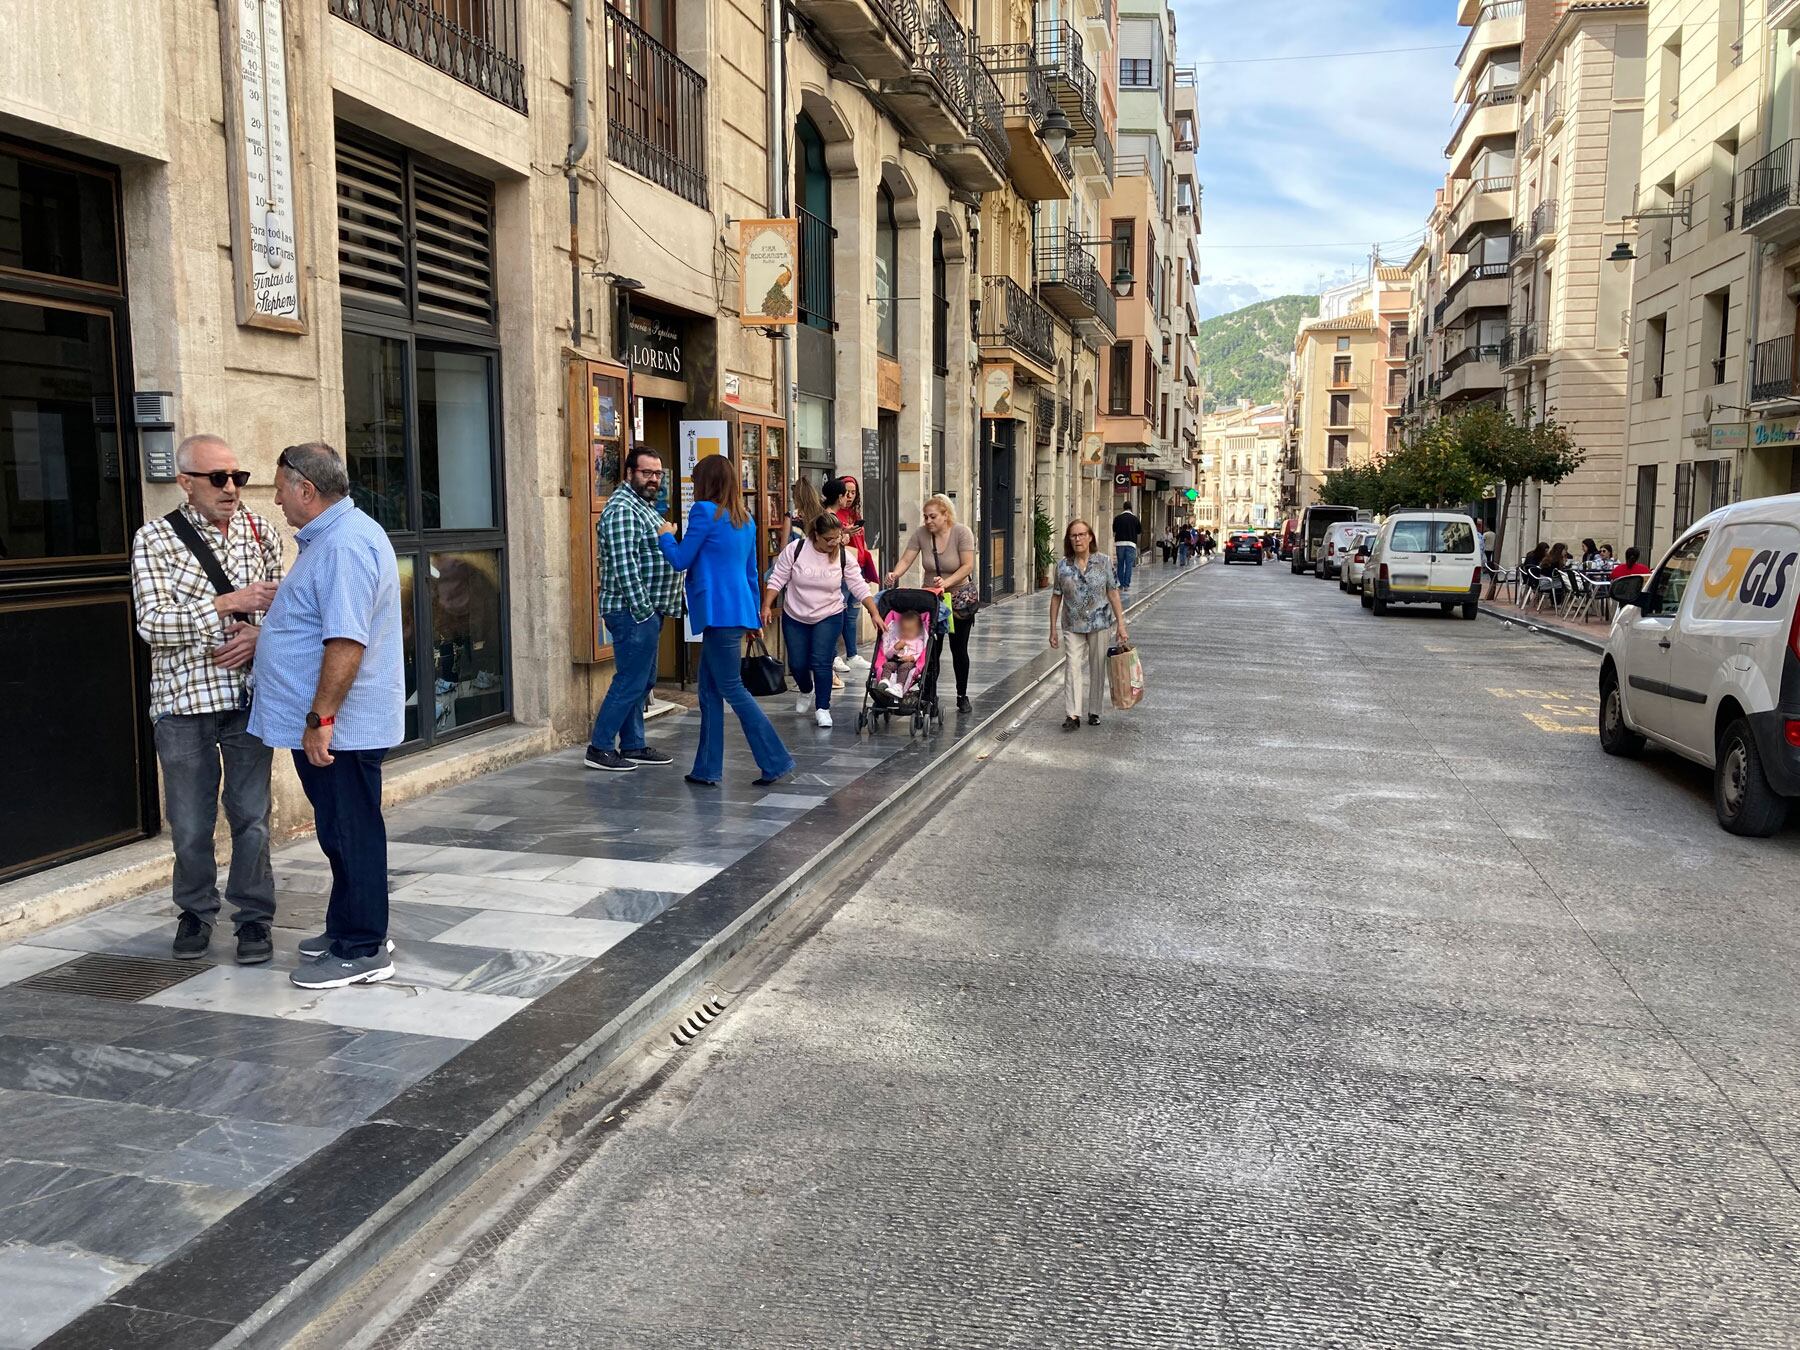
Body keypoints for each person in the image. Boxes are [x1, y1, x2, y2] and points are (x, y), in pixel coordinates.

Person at [252, 443, 406, 989]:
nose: (276, 500)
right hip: (337, 725)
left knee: (351, 831)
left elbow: (345, 641)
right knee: (340, 831)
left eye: (279, 490)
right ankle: (348, 927)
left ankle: (363, 947)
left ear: (306, 490)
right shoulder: (335, 537)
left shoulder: (343, 545)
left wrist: (321, 720)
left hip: (341, 728)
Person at [129, 434, 283, 964]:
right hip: (183, 702)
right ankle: (195, 911)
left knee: (252, 817)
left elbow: (286, 610)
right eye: (218, 478)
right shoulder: (154, 539)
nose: (231, 488)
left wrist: (259, 637)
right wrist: (226, 603)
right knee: (192, 823)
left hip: (248, 697)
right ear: (186, 482)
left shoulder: (260, 530)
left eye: (237, 477)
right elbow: (152, 624)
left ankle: (254, 919)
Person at [660, 455, 795, 786]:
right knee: (708, 690)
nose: (694, 484)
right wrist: (752, 617)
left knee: (731, 688)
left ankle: (776, 760)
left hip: (717, 613)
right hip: (735, 611)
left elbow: (680, 560)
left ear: (706, 482)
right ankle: (706, 768)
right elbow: (751, 573)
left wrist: (666, 535)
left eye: (696, 479)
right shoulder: (745, 519)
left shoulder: (704, 512)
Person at [585, 446, 681, 772]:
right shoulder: (623, 509)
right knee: (630, 681)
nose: (653, 479)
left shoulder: (642, 506)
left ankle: (633, 745)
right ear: (629, 473)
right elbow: (624, 567)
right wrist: (645, 613)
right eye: (646, 472)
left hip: (644, 610)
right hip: (632, 612)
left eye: (657, 473)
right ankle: (599, 748)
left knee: (643, 680)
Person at [762, 512, 883, 728]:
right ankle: (806, 689)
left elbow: (858, 585)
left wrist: (874, 612)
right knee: (797, 664)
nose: (833, 543)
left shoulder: (843, 556)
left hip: (829, 614)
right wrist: (766, 605)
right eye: (829, 539)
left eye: (837, 538)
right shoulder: (796, 549)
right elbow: (778, 577)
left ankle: (822, 708)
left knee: (821, 661)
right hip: (795, 614)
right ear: (816, 535)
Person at [885, 493, 980, 714]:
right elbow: (907, 558)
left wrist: (946, 582)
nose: (928, 521)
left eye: (933, 516)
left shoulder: (962, 533)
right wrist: (895, 574)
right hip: (931, 598)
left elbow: (967, 566)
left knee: (959, 649)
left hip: (958, 599)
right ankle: (928, 696)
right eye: (925, 517)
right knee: (931, 650)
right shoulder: (921, 534)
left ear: (946, 515)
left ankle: (962, 695)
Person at [1049, 520, 1128, 731]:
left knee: (1097, 667)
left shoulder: (1104, 562)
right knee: (1072, 666)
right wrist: (1052, 629)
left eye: (1082, 534)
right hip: (1072, 624)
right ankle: (1072, 714)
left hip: (1100, 623)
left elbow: (1113, 593)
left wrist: (1121, 625)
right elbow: (1056, 597)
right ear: (1069, 540)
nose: (1078, 539)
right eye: (1073, 536)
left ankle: (1094, 711)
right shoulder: (1062, 566)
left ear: (1090, 537)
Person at [822, 475, 875, 675]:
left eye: (853, 492)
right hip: (841, 569)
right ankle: (834, 655)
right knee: (837, 613)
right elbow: (832, 543)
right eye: (847, 492)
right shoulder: (831, 516)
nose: (850, 496)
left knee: (851, 614)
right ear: (839, 495)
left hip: (856, 566)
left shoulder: (853, 514)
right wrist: (845, 535)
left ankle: (852, 654)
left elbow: (862, 542)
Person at [875, 611, 928, 700]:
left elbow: (920, 654)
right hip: (896, 660)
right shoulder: (897, 639)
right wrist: (896, 647)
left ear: (918, 631)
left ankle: (899, 686)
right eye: (903, 629)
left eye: (910, 630)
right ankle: (884, 681)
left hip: (909, 663)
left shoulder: (918, 642)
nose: (906, 632)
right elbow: (888, 655)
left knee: (904, 667)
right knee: (887, 665)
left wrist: (911, 658)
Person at [1110, 503, 1141, 591]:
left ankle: (1120, 584)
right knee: (1128, 565)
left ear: (1123, 508)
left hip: (1120, 544)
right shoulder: (1135, 519)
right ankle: (1126, 585)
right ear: (1131, 508)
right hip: (1131, 544)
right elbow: (1139, 531)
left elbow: (1114, 530)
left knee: (1120, 564)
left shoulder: (1117, 518)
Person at [789, 475, 824, 544]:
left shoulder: (791, 516)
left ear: (796, 498)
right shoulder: (822, 514)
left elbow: (784, 547)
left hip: (797, 550)